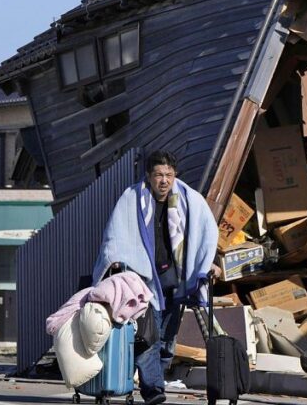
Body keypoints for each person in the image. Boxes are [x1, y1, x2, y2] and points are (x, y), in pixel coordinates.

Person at [93, 151, 219, 405]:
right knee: (149, 335)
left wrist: (207, 263)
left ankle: (153, 381)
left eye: (169, 175)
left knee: (167, 341)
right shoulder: (131, 199)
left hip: (174, 278)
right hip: (143, 281)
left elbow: (204, 233)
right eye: (159, 175)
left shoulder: (188, 200)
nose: (164, 180)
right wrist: (115, 259)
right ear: (149, 176)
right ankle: (153, 390)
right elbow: (116, 234)